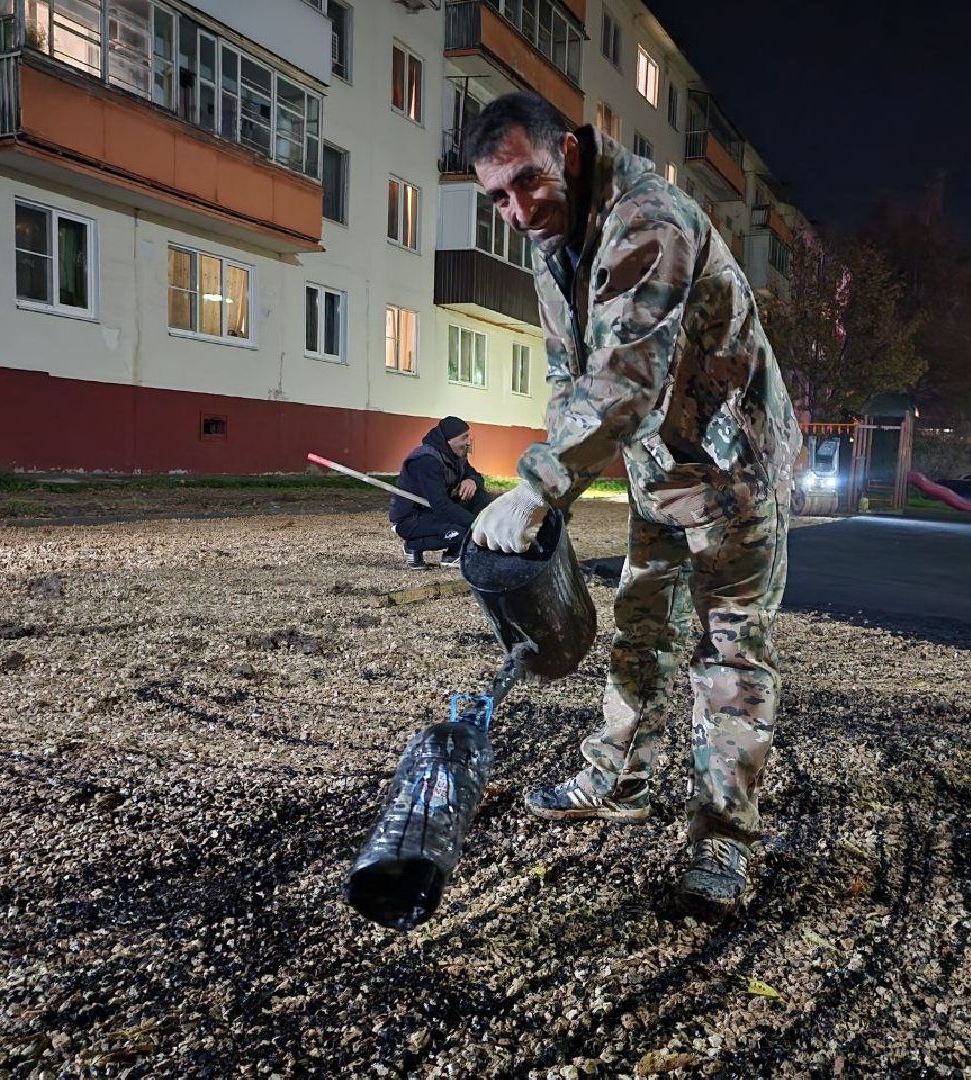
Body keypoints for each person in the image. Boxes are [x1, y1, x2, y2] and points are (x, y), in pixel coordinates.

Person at [463, 92, 802, 916]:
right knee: (642, 625)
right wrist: (556, 496)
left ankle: (723, 838)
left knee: (729, 655)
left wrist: (538, 486)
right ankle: (617, 777)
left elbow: (625, 381)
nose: (517, 211)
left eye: (527, 181)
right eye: (497, 198)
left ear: (570, 153)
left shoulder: (650, 220)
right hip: (659, 469)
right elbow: (569, 379)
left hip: (732, 469)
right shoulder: (554, 247)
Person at [389, 416, 492, 570]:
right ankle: (413, 545)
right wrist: (476, 524)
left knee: (480, 497)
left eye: (468, 436)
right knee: (463, 530)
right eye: (464, 437)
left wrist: (472, 481)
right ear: (449, 440)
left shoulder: (455, 455)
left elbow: (476, 476)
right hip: (412, 518)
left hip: (433, 510)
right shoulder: (426, 461)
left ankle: (453, 555)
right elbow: (442, 506)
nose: (469, 442)